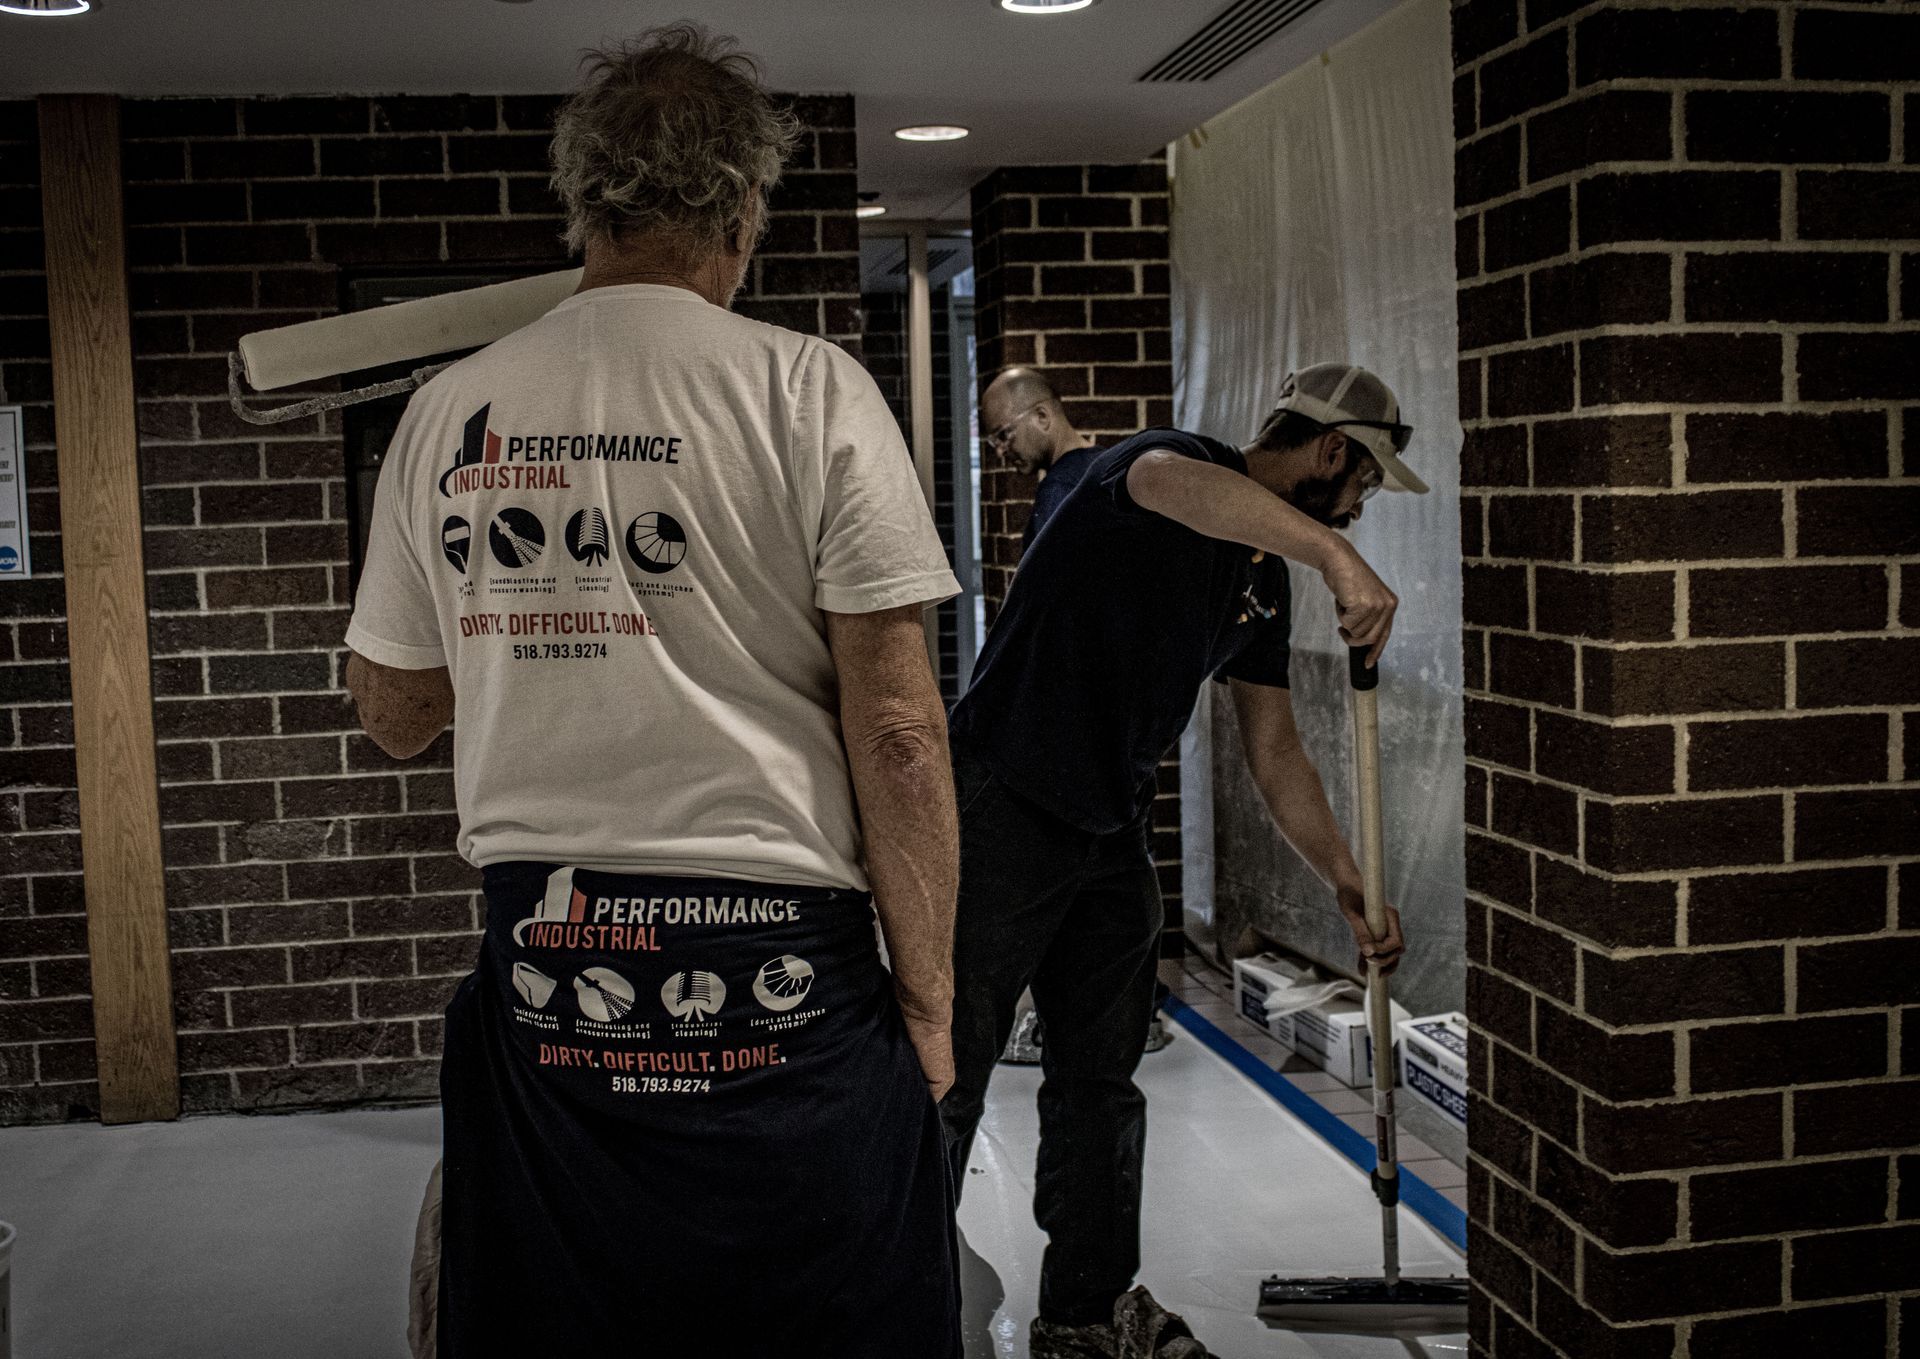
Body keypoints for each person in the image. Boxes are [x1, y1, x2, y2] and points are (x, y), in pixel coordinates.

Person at [343, 26, 962, 1357]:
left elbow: (392, 713)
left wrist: (525, 624)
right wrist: (927, 1002)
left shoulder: (451, 409)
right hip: (780, 971)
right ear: (746, 207)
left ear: (583, 204)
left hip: (549, 968)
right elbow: (902, 732)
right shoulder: (810, 391)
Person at [942, 362, 1426, 1357]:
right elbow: (1164, 481)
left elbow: (1274, 749)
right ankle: (890, 1301)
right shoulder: (1171, 468)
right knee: (949, 1068)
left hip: (1109, 827)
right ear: (1331, 451)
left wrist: (1345, 876)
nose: (1361, 505)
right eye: (1365, 482)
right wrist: (1333, 552)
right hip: (1002, 802)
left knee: (1101, 1079)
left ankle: (1085, 1315)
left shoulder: (1260, 582)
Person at [980, 366, 1103, 553]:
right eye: (994, 441)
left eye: (1003, 434)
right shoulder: (1106, 466)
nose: (999, 451)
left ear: (1042, 416)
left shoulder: (1059, 490)